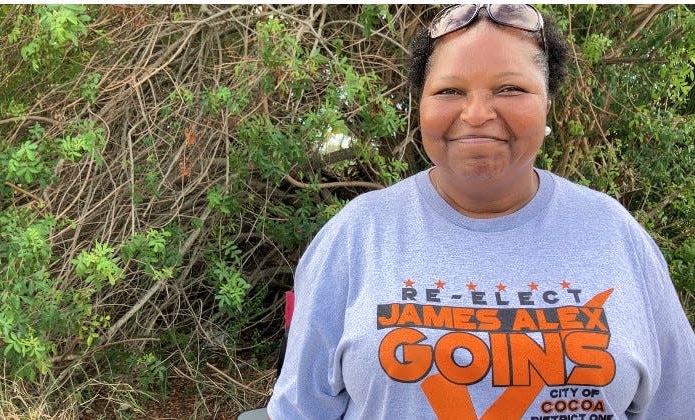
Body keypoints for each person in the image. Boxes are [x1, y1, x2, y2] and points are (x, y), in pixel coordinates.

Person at [267, 4, 695, 419]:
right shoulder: (356, 235)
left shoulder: (615, 233)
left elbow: (679, 404)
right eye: (450, 91)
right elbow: (299, 410)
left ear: (548, 104)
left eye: (510, 89)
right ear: (421, 107)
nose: (476, 114)